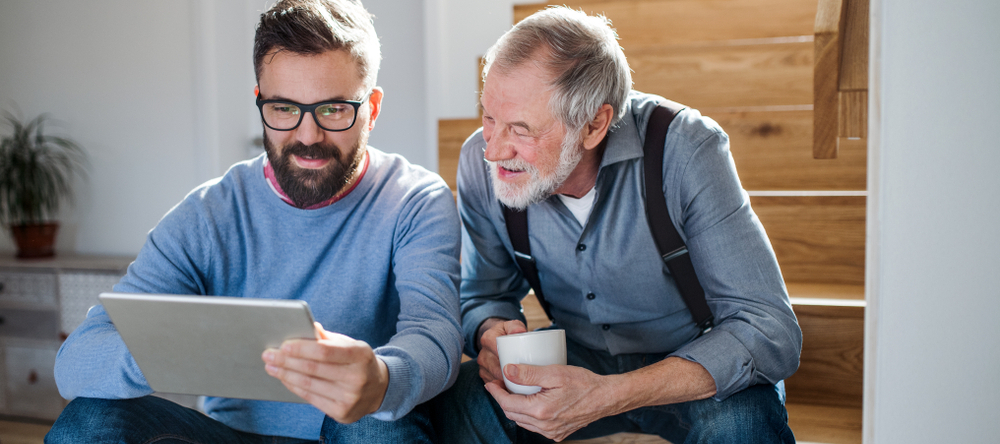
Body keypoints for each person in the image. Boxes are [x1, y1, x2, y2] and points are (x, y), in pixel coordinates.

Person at [46, 0, 462, 443]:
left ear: (371, 109)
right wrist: (182, 347)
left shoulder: (415, 200)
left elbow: (434, 333)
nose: (307, 136)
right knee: (90, 419)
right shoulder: (208, 214)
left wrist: (381, 378)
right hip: (228, 435)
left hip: (350, 432)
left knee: (379, 421)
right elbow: (75, 363)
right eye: (284, 109)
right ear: (260, 101)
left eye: (333, 109)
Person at [433, 6, 802, 444]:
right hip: (578, 353)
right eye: (489, 117)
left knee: (740, 425)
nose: (493, 150)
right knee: (462, 401)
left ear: (594, 125)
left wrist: (610, 395)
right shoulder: (482, 162)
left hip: (689, 361)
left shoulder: (686, 149)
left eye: (521, 129)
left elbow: (769, 329)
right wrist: (490, 333)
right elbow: (484, 292)